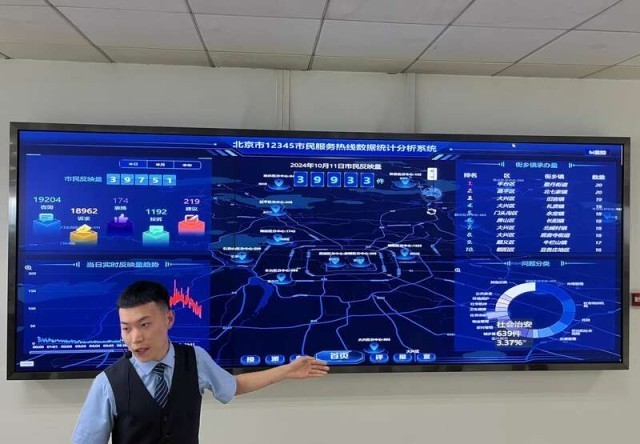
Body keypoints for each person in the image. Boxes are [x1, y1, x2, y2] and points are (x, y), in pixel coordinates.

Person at [72, 280, 330, 444]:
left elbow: (233, 385)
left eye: (145, 325)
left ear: (169, 319)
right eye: (126, 328)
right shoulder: (107, 383)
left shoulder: (195, 359)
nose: (135, 338)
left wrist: (285, 371)